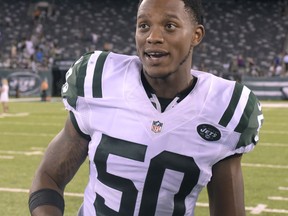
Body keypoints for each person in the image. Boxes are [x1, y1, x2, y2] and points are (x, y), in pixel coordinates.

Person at [28, 0, 264, 215]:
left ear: (196, 35)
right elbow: (48, 177)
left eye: (169, 26)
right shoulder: (100, 80)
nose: (153, 36)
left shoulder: (224, 108)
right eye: (143, 26)